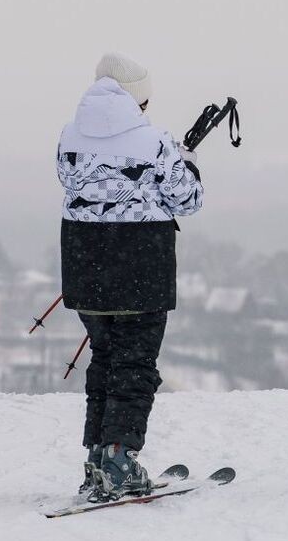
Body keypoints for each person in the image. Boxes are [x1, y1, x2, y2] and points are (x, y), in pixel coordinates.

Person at [56, 52, 203, 501]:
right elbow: (188, 200)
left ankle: (97, 461)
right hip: (141, 268)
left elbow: (69, 181)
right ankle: (120, 460)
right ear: (137, 97)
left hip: (85, 266)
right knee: (135, 366)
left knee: (104, 361)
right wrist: (187, 160)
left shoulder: (68, 136)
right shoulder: (155, 141)